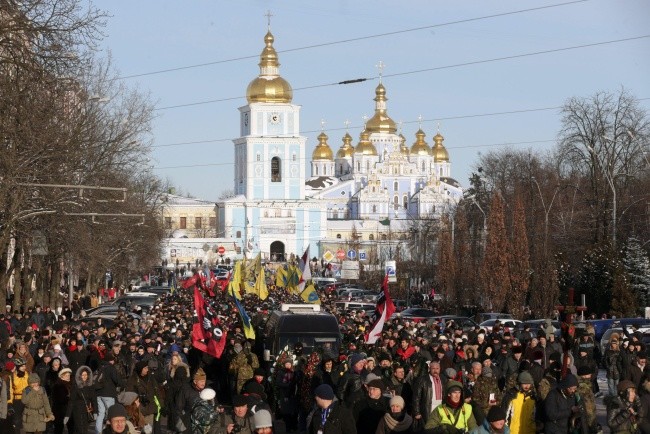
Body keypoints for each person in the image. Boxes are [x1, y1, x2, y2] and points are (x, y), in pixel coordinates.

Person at [96, 352, 127, 434]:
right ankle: (108, 432)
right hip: (108, 394)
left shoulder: (100, 367)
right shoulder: (111, 368)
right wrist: (123, 384)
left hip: (98, 394)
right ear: (111, 360)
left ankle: (98, 432)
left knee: (100, 414)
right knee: (111, 415)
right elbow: (117, 380)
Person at [412, 360, 445, 428]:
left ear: (440, 369)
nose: (435, 370)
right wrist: (417, 412)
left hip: (441, 407)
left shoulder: (443, 379)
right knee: (429, 428)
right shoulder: (422, 380)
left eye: (437, 368)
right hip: (428, 408)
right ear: (429, 369)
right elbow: (416, 397)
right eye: (433, 368)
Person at [65, 365, 97, 434]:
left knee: (84, 429)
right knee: (81, 430)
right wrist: (67, 415)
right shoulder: (76, 386)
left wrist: (95, 412)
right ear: (79, 376)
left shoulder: (90, 386)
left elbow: (94, 399)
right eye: (83, 375)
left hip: (86, 411)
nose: (85, 377)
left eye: (86, 375)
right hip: (77, 411)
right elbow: (71, 401)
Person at [52, 367, 73, 434]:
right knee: (59, 429)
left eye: (69, 375)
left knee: (72, 428)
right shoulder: (58, 385)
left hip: (70, 410)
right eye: (66, 375)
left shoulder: (72, 384)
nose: (68, 377)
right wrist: (69, 398)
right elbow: (60, 399)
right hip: (60, 411)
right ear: (61, 376)